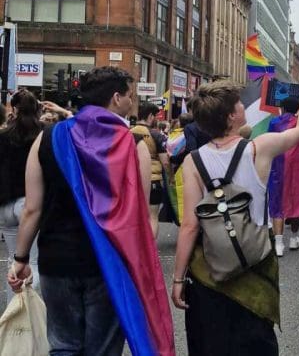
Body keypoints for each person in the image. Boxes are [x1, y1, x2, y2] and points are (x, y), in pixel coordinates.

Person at [7, 66, 174, 356]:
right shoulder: (134, 146)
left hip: (56, 260)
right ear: (115, 98)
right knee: (103, 349)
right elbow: (139, 218)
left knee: (63, 346)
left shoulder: (47, 138)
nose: (132, 101)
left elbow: (32, 209)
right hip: (109, 264)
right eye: (129, 96)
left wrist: (20, 258)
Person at [171, 58, 299, 355]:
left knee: (211, 342)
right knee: (254, 341)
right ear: (230, 118)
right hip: (255, 260)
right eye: (238, 104)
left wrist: (177, 278)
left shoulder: (193, 161)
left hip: (208, 268)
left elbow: (189, 225)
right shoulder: (258, 149)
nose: (243, 106)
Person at [0, 91, 43, 307]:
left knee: (13, 260)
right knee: (32, 261)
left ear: (14, 109)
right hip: (31, 202)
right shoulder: (42, 134)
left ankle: (12, 311)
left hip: (5, 203)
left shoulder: (3, 135)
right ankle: (30, 314)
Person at [266, 97, 299, 256]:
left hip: (278, 167)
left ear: (283, 109)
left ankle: (278, 243)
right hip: (298, 168)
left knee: (277, 203)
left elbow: (268, 142)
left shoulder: (274, 123)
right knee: (296, 201)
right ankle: (294, 238)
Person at [131, 101, 171, 238]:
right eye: (155, 116)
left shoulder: (128, 132)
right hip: (153, 180)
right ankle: (151, 249)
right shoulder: (156, 135)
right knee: (152, 217)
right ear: (150, 116)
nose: (157, 119)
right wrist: (170, 177)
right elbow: (165, 162)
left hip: (132, 181)